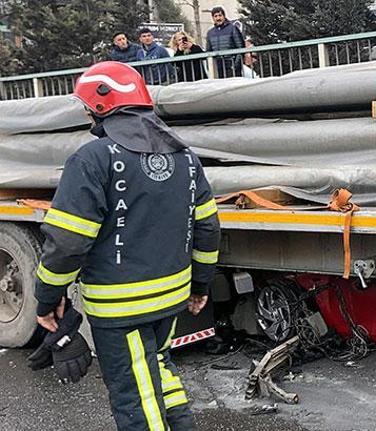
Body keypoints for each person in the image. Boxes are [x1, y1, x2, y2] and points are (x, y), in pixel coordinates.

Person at [34, 61, 221, 430]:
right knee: (160, 369)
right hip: (172, 297)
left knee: (136, 395)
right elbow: (208, 228)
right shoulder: (185, 157)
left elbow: (68, 241)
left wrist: (47, 296)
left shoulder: (93, 159)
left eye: (87, 107)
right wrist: (200, 285)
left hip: (120, 307)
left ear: (101, 106)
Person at [206, 6, 245, 78]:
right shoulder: (210, 33)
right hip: (218, 68)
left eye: (220, 15)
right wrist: (211, 68)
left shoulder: (233, 28)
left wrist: (236, 65)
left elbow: (241, 48)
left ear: (224, 16)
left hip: (232, 66)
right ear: (213, 18)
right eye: (215, 16)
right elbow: (208, 52)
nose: (218, 18)